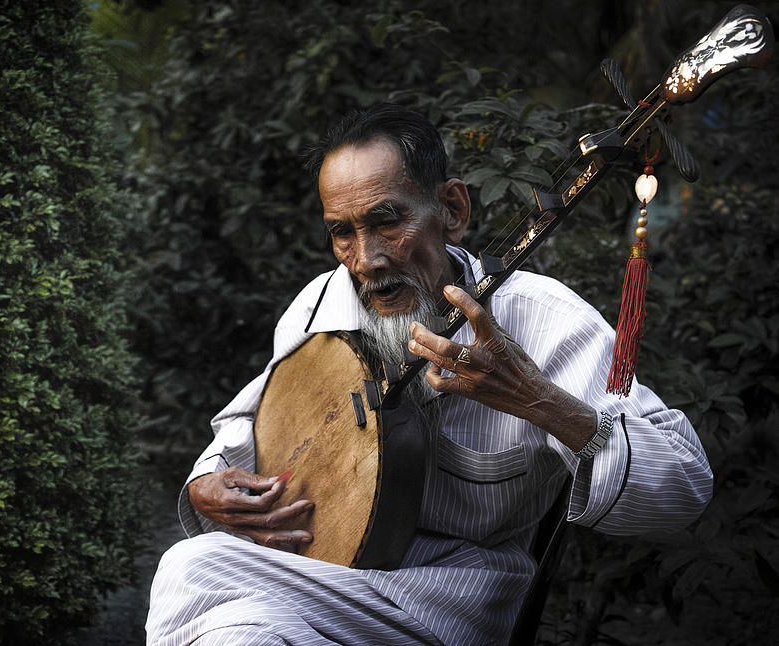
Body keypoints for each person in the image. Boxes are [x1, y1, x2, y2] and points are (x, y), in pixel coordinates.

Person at [146, 103, 713, 645]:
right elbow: (249, 420)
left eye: (386, 221)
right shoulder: (320, 304)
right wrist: (208, 481)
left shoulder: (544, 321)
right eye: (342, 232)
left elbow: (684, 487)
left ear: (453, 210)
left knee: (192, 568)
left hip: (455, 602)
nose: (366, 259)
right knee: (238, 632)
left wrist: (537, 400)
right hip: (321, 577)